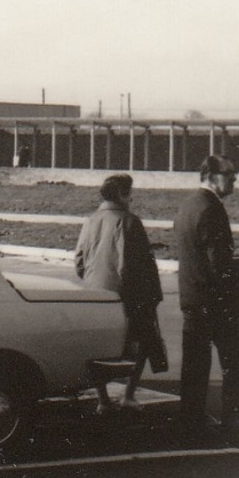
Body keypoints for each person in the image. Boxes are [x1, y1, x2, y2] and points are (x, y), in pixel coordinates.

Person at [173, 155, 239, 438]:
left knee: (195, 365)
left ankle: (192, 421)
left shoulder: (187, 206)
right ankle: (234, 423)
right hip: (218, 301)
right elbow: (219, 261)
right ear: (210, 175)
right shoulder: (211, 209)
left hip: (193, 298)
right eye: (229, 173)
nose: (234, 179)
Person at [74, 173, 165, 411]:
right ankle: (128, 394)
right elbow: (142, 266)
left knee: (99, 348)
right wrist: (153, 297)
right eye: (129, 193)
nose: (131, 199)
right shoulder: (130, 221)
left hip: (94, 294)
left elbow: (79, 262)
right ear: (122, 195)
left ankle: (103, 399)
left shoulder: (90, 220)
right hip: (126, 294)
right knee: (142, 342)